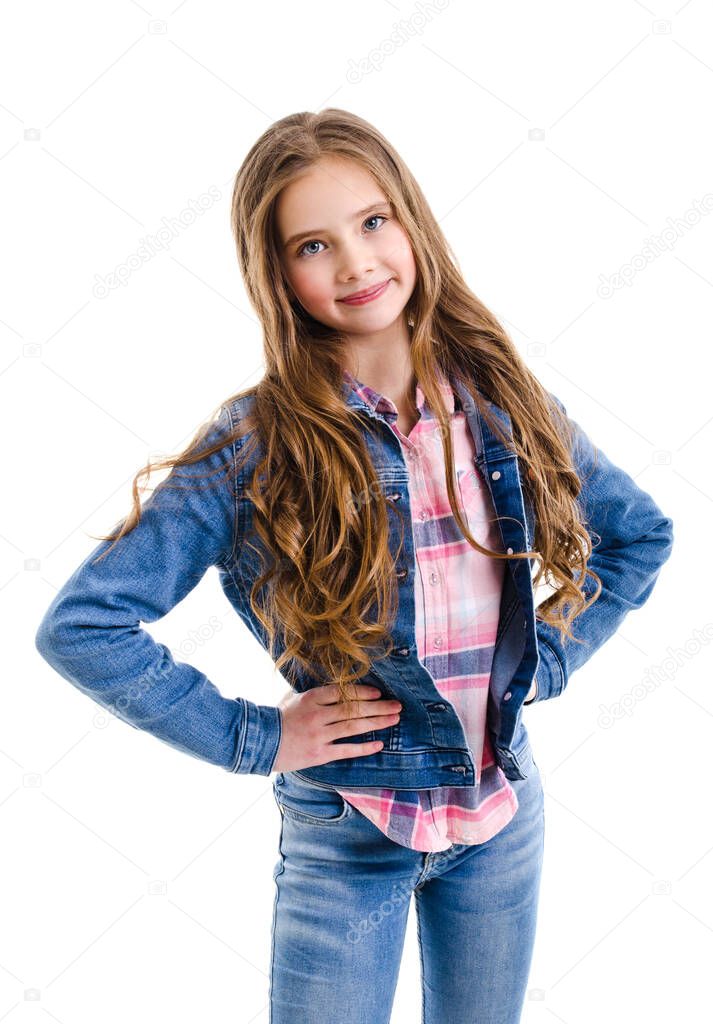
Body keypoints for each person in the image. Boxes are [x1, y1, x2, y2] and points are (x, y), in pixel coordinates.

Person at [34, 108, 674, 1023]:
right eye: (313, 245)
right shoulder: (255, 441)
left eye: (373, 223)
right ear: (277, 272)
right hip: (350, 830)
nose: (356, 264)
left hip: (500, 818)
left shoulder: (504, 403)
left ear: (411, 222)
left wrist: (549, 661)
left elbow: (637, 536)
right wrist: (253, 737)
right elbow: (83, 627)